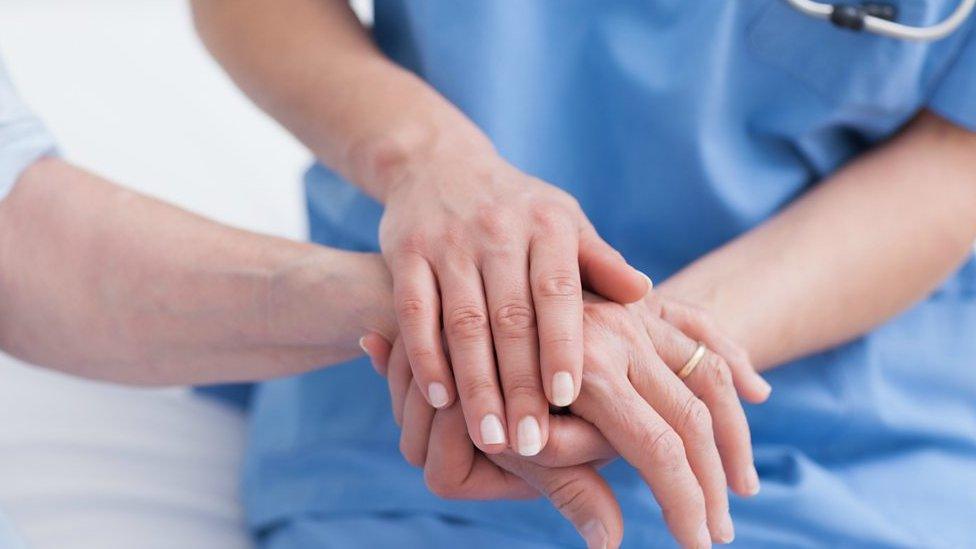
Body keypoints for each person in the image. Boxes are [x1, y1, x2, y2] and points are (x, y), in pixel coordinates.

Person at [194, 0, 976, 548]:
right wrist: (430, 163)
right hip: (431, 396)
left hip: (850, 417)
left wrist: (644, 346)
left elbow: (955, 157)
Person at [0, 35, 748, 548]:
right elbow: (25, 246)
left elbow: (25, 239)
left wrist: (638, 341)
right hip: (381, 435)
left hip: (799, 420)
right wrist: (456, 301)